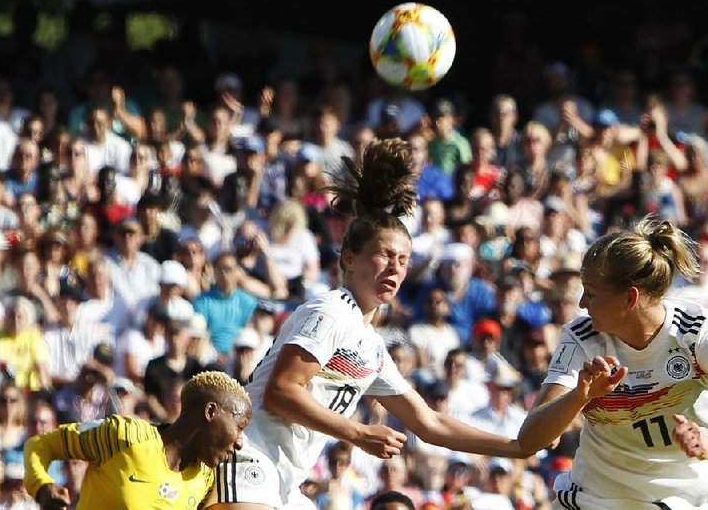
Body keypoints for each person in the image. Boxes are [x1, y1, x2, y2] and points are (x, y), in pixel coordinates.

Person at [206, 139, 528, 510]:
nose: (395, 267)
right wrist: (358, 433)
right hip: (249, 454)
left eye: (404, 260)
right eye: (385, 255)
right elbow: (281, 391)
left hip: (286, 479)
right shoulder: (331, 310)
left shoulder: (370, 345)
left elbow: (430, 424)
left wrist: (516, 445)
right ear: (349, 259)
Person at [518, 218, 708, 509]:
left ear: (629, 298)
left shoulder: (701, 334)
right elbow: (531, 439)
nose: (582, 303)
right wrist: (579, 396)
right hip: (592, 500)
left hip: (672, 502)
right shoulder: (580, 338)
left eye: (592, 293)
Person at [24, 371, 251, 509]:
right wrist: (43, 487)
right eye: (239, 427)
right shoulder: (123, 437)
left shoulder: (206, 479)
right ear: (210, 412)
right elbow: (40, 445)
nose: (240, 442)